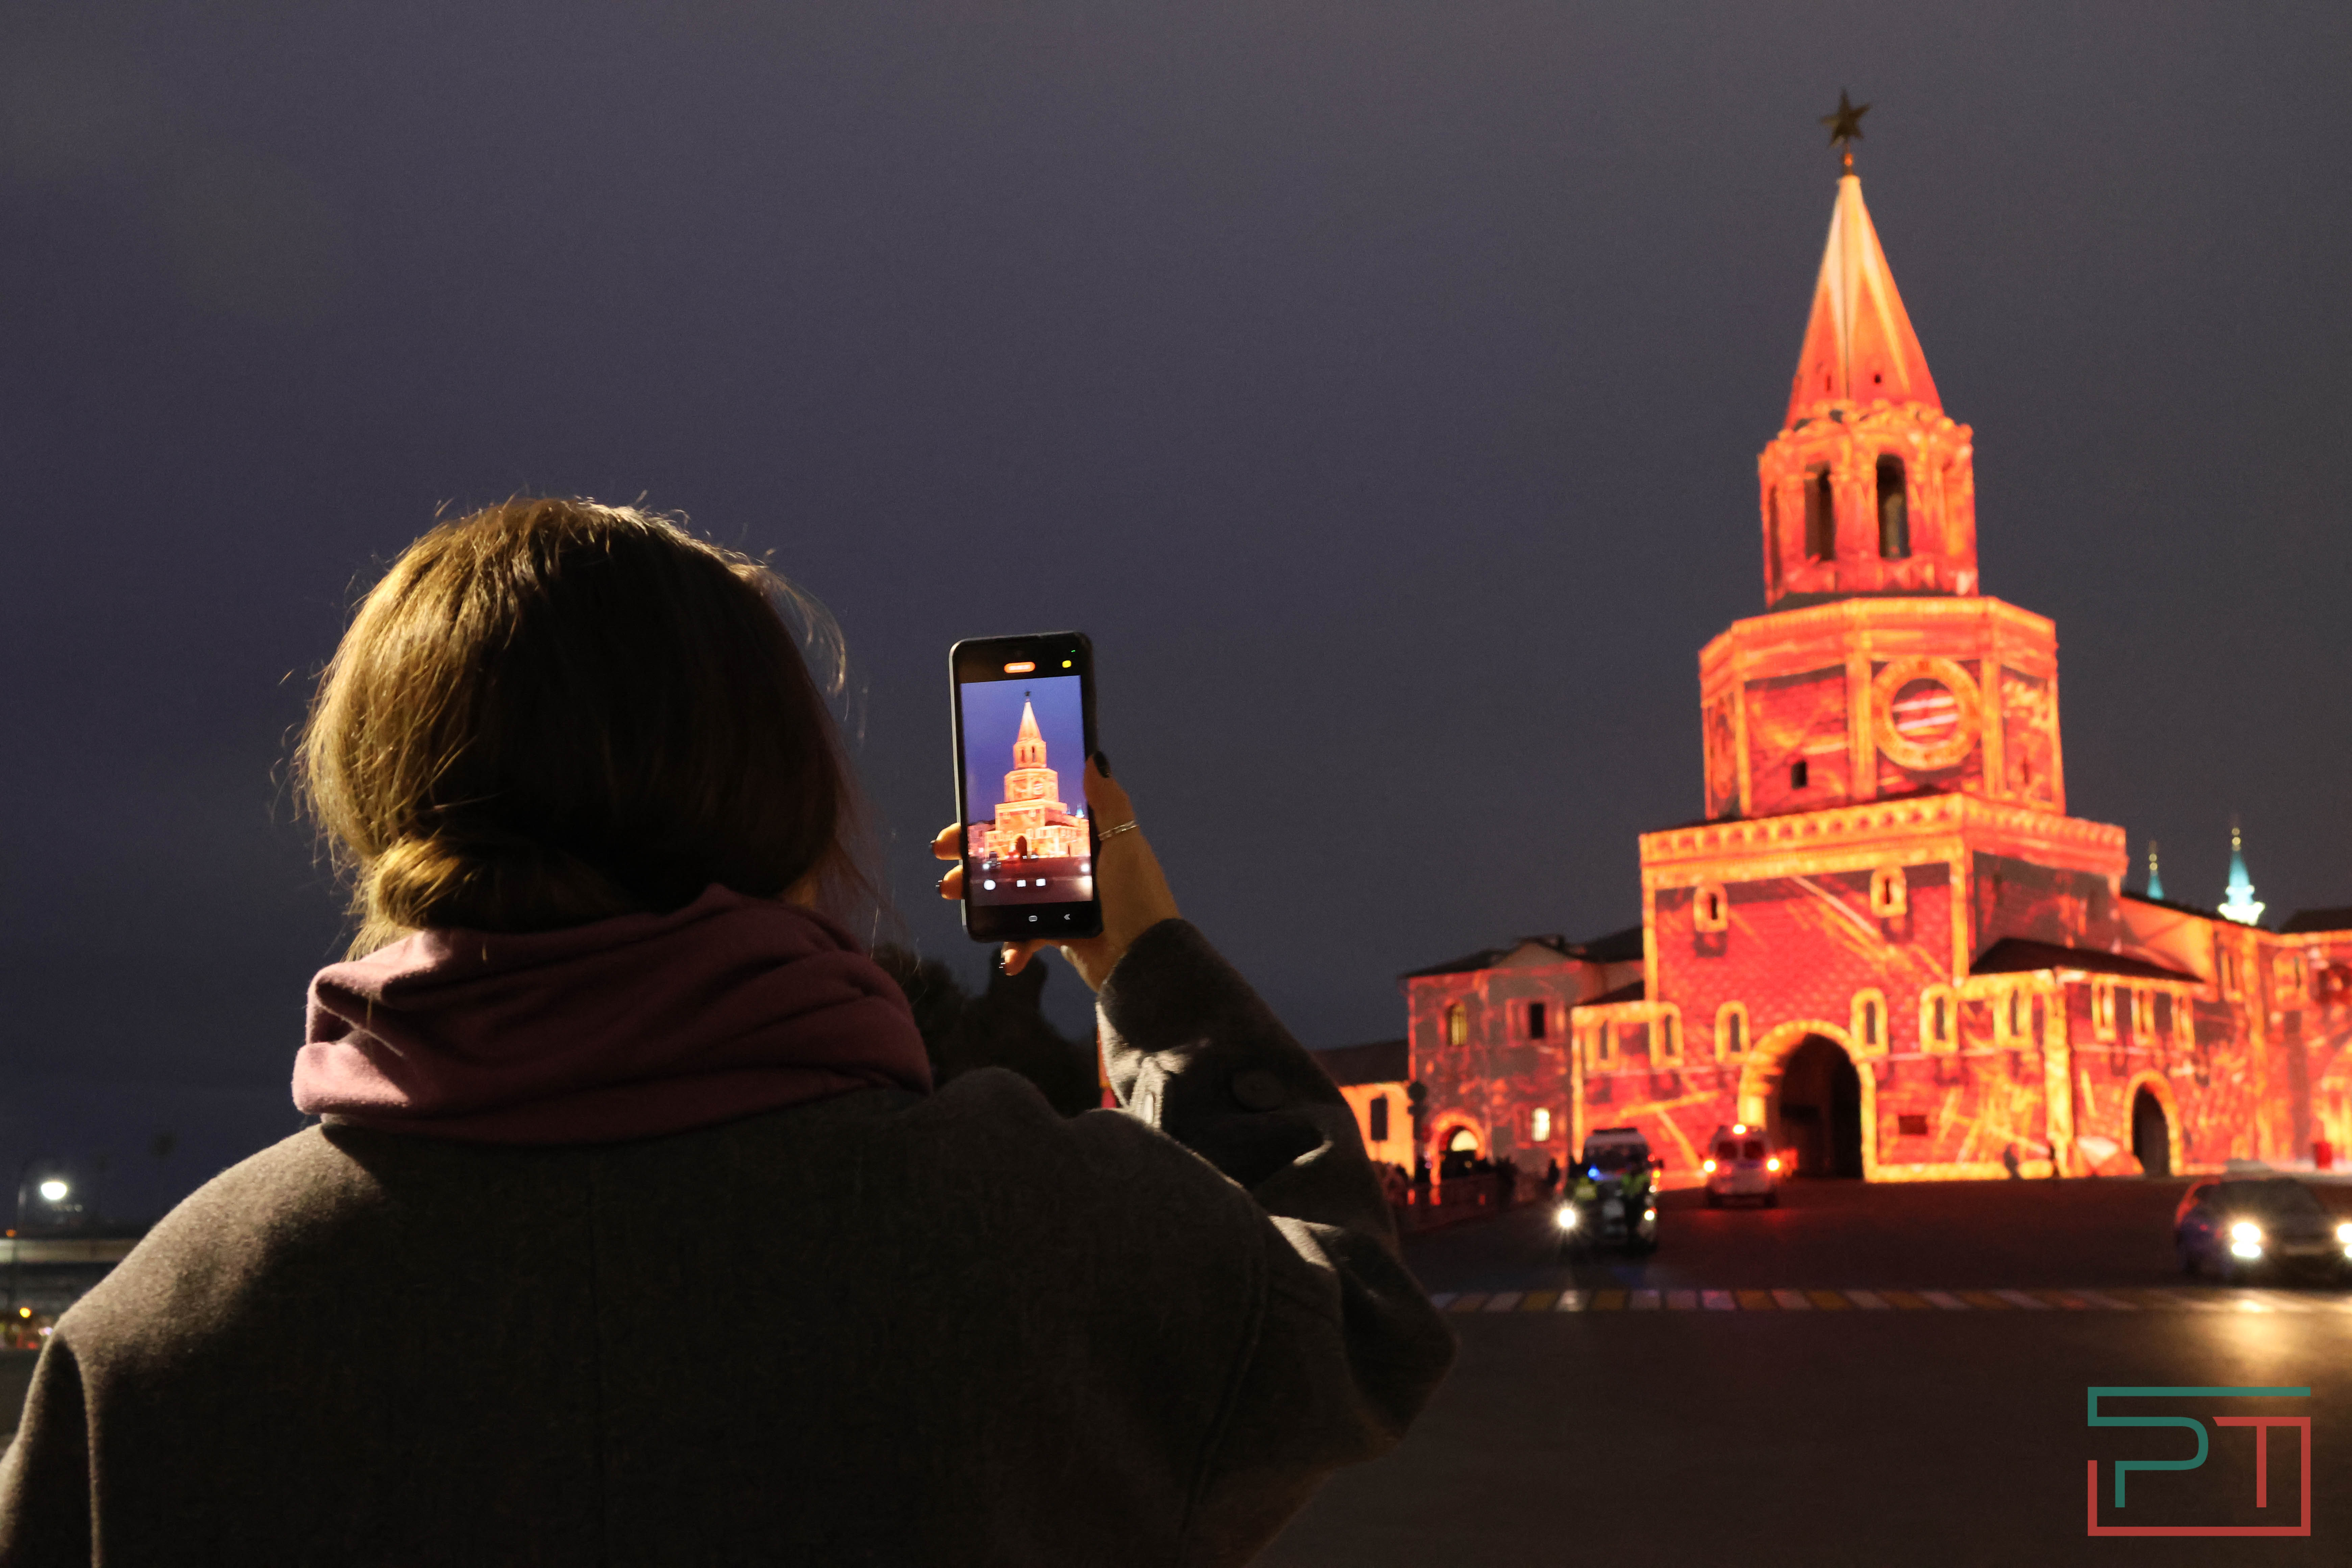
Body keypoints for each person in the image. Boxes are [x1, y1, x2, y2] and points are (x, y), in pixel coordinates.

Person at [0, 499, 1454, 1565]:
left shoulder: (151, 1340)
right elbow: (1355, 1321)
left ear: (379, 796)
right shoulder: (1026, 1231)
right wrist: (1136, 947)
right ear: (780, 798)